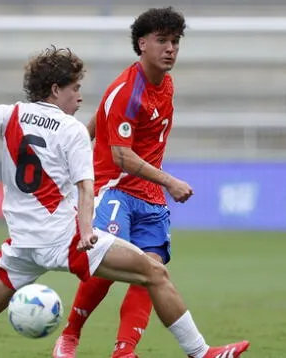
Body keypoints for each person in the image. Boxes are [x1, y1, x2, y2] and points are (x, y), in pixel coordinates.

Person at [0, 46, 249, 358]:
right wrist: (87, 230)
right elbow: (86, 186)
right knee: (156, 273)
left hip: (23, 244)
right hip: (65, 240)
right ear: (56, 90)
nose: (81, 96)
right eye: (75, 88)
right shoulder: (71, 130)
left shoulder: (11, 115)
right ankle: (202, 353)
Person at [53, 6, 194, 358]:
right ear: (142, 43)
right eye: (162, 41)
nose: (170, 49)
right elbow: (121, 157)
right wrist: (171, 181)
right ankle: (70, 335)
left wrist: (80, 139)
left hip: (149, 195)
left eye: (175, 41)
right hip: (113, 187)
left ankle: (124, 350)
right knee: (106, 264)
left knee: (152, 270)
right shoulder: (127, 89)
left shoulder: (165, 83)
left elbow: (103, 116)